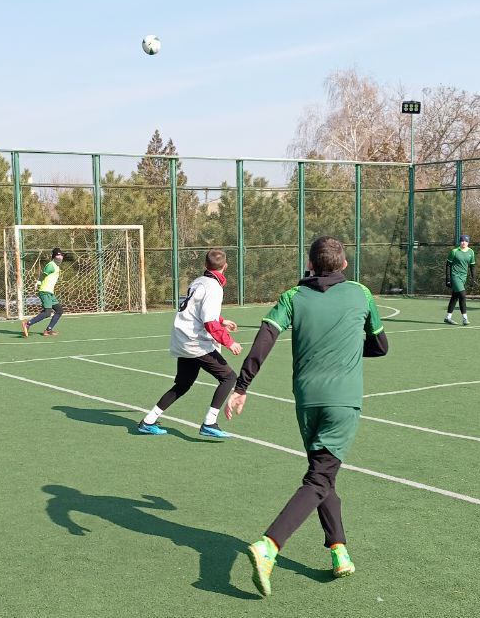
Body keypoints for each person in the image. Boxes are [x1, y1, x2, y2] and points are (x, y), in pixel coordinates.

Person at [225, 236, 388, 597]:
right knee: (319, 479)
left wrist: (241, 386)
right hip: (342, 402)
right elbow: (380, 346)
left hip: (306, 400)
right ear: (344, 264)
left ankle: (338, 549)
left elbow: (265, 339)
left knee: (322, 473)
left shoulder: (292, 297)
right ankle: (270, 544)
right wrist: (348, 345)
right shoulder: (361, 293)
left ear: (310, 264)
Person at [138, 249, 243, 439]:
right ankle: (210, 423)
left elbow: (198, 310)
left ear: (205, 265)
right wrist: (230, 342)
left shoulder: (198, 281)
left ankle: (148, 421)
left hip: (182, 338)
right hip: (195, 342)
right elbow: (209, 322)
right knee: (229, 378)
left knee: (183, 384)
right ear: (225, 266)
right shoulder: (214, 287)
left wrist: (222, 320)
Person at [22, 248, 65, 338]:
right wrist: (38, 282)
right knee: (47, 312)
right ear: (54, 256)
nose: (60, 257)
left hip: (50, 293)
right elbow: (43, 274)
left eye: (61, 255)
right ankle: (27, 324)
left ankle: (48, 330)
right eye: (58, 255)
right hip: (45, 291)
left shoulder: (56, 266)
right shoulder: (51, 265)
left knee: (59, 310)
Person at [445, 235, 476, 326]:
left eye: (465, 241)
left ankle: (448, 317)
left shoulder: (471, 252)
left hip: (463, 277)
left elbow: (472, 266)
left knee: (455, 296)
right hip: (455, 276)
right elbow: (448, 265)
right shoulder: (454, 251)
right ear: (460, 242)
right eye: (462, 241)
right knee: (462, 295)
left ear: (468, 242)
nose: (463, 242)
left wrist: (473, 278)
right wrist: (448, 279)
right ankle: (465, 318)